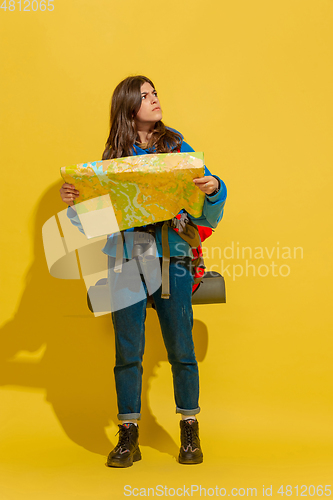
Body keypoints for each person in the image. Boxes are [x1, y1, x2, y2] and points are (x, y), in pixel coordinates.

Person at [60, 75, 227, 467]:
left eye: (155, 94)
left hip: (173, 260)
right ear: (128, 107)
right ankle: (128, 436)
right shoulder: (111, 159)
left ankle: (189, 428)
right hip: (126, 261)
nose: (155, 100)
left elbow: (210, 211)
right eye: (146, 95)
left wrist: (213, 187)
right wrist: (74, 204)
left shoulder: (177, 148)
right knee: (127, 352)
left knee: (181, 350)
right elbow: (91, 223)